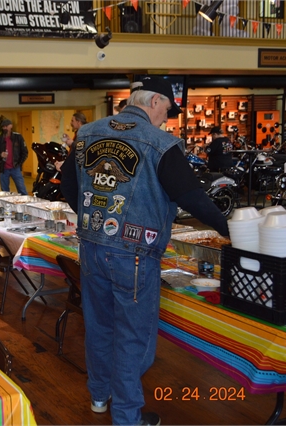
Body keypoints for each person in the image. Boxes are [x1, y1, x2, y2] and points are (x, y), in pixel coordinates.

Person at [60, 76, 229, 426]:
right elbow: (192, 197)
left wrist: (93, 221)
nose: (166, 118)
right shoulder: (160, 143)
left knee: (99, 326)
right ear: (154, 102)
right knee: (132, 336)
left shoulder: (87, 133)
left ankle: (99, 396)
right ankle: (127, 417)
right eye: (167, 110)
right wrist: (230, 229)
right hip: (134, 254)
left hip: (91, 246)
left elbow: (67, 184)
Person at [0, 118, 28, 195]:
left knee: (22, 189)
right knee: (5, 192)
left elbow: (24, 152)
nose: (5, 128)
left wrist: (19, 164)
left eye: (6, 126)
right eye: (3, 126)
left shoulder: (18, 137)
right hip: (3, 169)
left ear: (11, 126)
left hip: (15, 168)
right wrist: (0, 155)